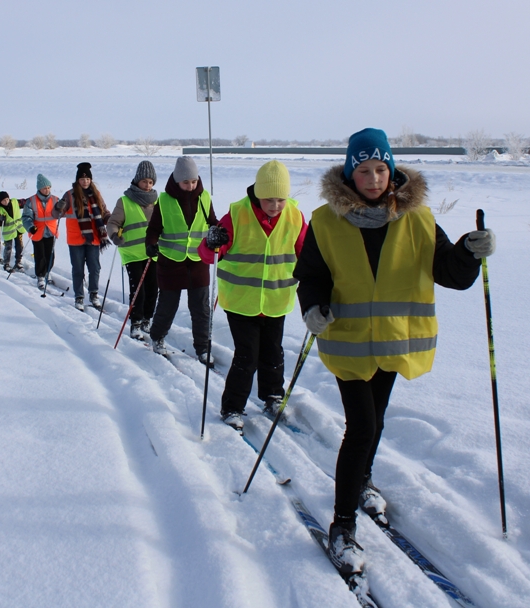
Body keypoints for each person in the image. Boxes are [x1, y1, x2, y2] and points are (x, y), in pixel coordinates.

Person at [293, 128, 496, 574]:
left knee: (377, 420)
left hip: (391, 343)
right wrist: (313, 306)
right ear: (350, 173)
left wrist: (468, 251)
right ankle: (342, 527)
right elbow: (310, 274)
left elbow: (451, 273)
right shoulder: (325, 221)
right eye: (363, 170)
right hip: (347, 344)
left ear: (392, 170)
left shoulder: (419, 219)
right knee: (361, 427)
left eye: (380, 168)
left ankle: (362, 481)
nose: (373, 178)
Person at [198, 160, 308, 432]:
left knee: (273, 352)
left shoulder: (295, 216)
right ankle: (232, 407)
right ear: (257, 193)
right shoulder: (236, 215)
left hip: (276, 301)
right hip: (241, 302)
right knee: (247, 355)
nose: (275, 205)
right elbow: (206, 255)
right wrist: (211, 242)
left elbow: (307, 255)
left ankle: (272, 396)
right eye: (269, 199)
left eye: (281, 199)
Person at [145, 156, 217, 365]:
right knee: (168, 305)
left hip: (197, 260)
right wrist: (150, 243)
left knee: (201, 308)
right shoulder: (165, 200)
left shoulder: (204, 197)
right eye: (186, 182)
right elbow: (154, 229)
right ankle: (157, 338)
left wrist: (218, 234)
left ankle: (203, 348)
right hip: (170, 261)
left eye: (193, 181)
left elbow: (213, 223)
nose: (190, 186)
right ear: (177, 180)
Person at [107, 160, 160, 339]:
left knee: (153, 289)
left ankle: (147, 319)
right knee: (139, 290)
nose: (147, 185)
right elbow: (113, 223)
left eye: (151, 182)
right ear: (137, 181)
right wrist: (114, 235)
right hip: (132, 253)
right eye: (144, 181)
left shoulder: (158, 201)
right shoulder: (125, 201)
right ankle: (135, 322)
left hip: (153, 253)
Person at [54, 162, 111, 311]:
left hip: (94, 238)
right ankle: (79, 297)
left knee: (95, 268)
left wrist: (112, 221)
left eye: (87, 179)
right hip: (76, 239)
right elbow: (56, 214)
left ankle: (93, 294)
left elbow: (104, 212)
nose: (85, 181)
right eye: (82, 179)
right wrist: (58, 208)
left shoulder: (96, 194)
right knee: (78, 269)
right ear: (78, 180)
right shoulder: (70, 195)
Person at [22, 174, 60, 289]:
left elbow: (62, 211)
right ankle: (40, 276)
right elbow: (26, 217)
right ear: (39, 189)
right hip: (37, 232)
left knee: (50, 255)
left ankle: (48, 272)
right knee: (40, 255)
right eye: (44, 188)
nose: (47, 190)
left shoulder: (55, 200)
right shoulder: (31, 201)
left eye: (48, 187)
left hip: (50, 232)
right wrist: (30, 226)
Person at [0, 189, 26, 272]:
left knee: (19, 246)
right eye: (3, 201)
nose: (6, 202)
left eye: (7, 199)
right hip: (8, 231)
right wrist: (1, 219)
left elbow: (26, 202)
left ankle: (18, 262)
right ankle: (6, 264)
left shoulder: (15, 202)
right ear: (0, 202)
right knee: (8, 247)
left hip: (18, 229)